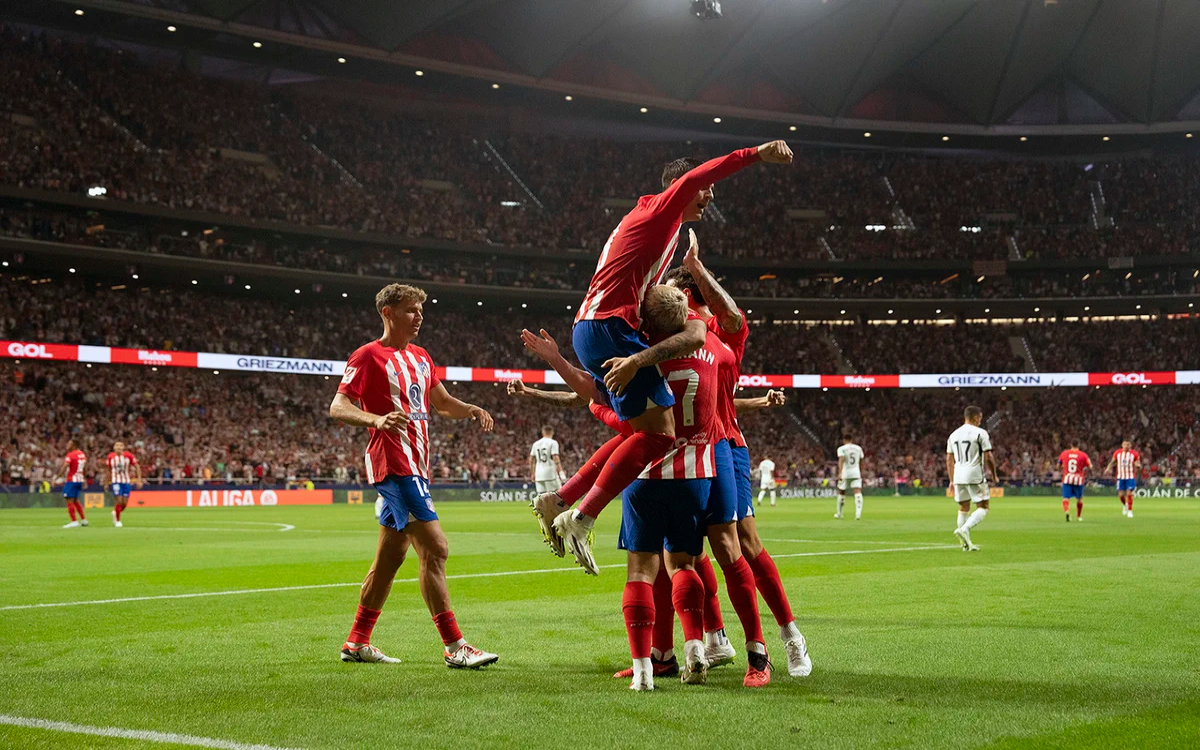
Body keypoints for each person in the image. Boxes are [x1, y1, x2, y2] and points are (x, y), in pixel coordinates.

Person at [528, 140, 794, 574]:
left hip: (595, 327)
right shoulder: (660, 210)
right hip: (610, 327)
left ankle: (557, 500)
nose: (709, 197)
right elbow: (695, 178)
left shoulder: (661, 227)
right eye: (704, 190)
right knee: (661, 433)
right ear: (677, 186)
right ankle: (582, 516)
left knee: (635, 432)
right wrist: (756, 154)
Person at [330, 283, 498, 669]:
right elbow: (339, 405)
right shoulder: (368, 356)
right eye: (410, 310)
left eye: (421, 310)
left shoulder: (422, 357)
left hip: (417, 466)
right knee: (436, 549)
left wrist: (469, 408)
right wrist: (375, 418)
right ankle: (455, 646)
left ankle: (357, 641)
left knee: (390, 559)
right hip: (394, 465)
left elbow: (441, 403)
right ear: (387, 312)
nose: (418, 317)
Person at [664, 244, 812, 679]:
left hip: (725, 446)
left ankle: (788, 636)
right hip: (682, 451)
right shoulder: (667, 335)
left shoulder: (719, 332)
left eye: (673, 294)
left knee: (741, 543)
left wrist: (693, 266)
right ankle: (712, 639)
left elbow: (733, 319)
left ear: (691, 296)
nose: (666, 303)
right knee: (683, 550)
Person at [946, 406, 997, 552]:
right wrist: (994, 475)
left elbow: (949, 459)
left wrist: (951, 479)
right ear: (975, 417)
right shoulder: (981, 433)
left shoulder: (953, 435)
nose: (980, 421)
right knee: (983, 507)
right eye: (980, 418)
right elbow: (988, 456)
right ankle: (965, 528)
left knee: (963, 508)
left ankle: (965, 545)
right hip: (974, 473)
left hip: (958, 475)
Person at [106, 441, 141, 528]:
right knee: (119, 500)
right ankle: (118, 521)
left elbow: (137, 466)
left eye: (121, 445)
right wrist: (106, 482)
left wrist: (139, 479)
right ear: (114, 448)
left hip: (126, 481)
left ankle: (115, 512)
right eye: (117, 445)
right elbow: (108, 470)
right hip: (115, 481)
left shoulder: (128, 456)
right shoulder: (110, 457)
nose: (118, 447)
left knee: (124, 503)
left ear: (123, 447)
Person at [1106, 440, 1141, 518]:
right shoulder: (1117, 453)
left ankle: (1130, 511)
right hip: (1120, 477)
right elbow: (1113, 462)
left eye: (1128, 444)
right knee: (1121, 495)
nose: (1126, 446)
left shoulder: (1134, 454)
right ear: (1122, 445)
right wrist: (1108, 468)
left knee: (1129, 493)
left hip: (1131, 477)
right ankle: (1125, 504)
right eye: (1125, 444)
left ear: (1130, 445)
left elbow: (1137, 463)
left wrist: (1138, 466)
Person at [58, 439, 88, 528]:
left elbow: (64, 466)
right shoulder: (82, 454)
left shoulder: (71, 455)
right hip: (79, 480)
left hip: (72, 480)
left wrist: (57, 477)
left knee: (69, 500)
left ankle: (74, 521)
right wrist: (84, 478)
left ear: (74, 445)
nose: (67, 445)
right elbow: (85, 468)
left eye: (69, 444)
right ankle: (84, 520)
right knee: (75, 500)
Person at [1059, 440, 1091, 522]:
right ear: (1079, 445)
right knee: (1079, 499)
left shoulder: (1064, 453)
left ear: (1070, 444)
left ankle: (1066, 511)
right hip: (1078, 479)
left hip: (1067, 478)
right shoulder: (1083, 455)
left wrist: (1064, 468)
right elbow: (1090, 466)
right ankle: (1079, 516)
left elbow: (1058, 465)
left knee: (1065, 498)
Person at [835, 435, 865, 520]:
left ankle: (839, 513)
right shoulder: (858, 448)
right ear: (852, 440)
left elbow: (841, 460)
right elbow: (862, 461)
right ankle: (858, 514)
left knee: (841, 492)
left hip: (846, 473)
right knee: (857, 492)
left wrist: (840, 473)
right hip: (856, 473)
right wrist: (861, 472)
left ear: (844, 440)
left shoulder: (841, 449)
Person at [529, 426, 565, 496]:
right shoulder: (553, 443)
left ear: (543, 432)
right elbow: (555, 457)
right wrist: (561, 472)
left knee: (542, 497)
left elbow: (531, 460)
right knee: (558, 495)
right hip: (550, 474)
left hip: (538, 474)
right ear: (552, 432)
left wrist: (533, 473)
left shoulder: (536, 444)